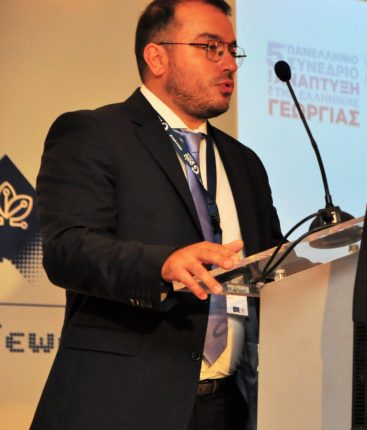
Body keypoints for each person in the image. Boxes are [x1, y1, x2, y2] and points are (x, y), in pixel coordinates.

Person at [31, 1, 282, 429]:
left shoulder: (245, 162)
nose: (229, 64)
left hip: (230, 407)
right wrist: (162, 265)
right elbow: (67, 249)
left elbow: (270, 267)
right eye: (211, 47)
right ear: (157, 57)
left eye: (232, 50)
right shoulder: (93, 133)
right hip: (123, 404)